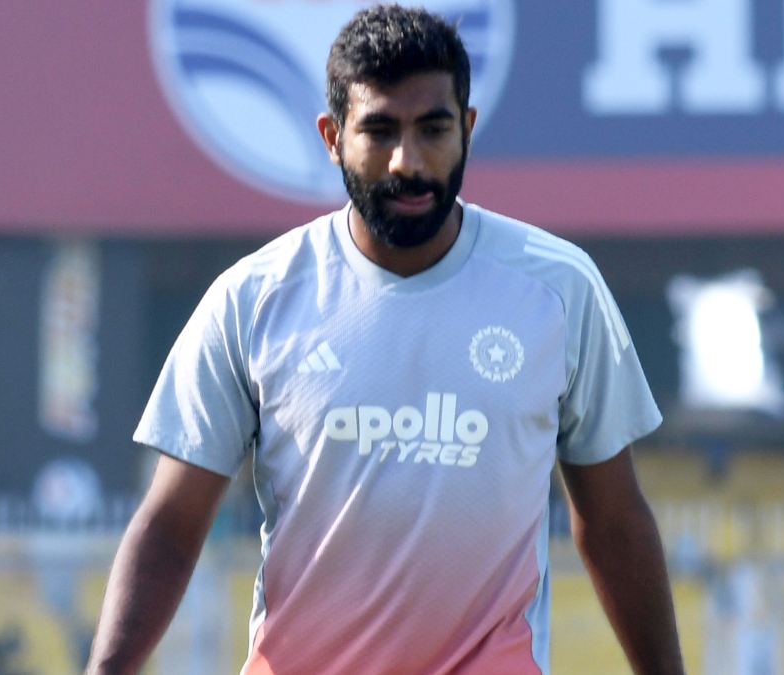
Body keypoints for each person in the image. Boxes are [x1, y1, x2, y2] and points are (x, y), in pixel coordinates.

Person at [86, 5, 684, 674]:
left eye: (433, 129)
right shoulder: (253, 299)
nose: (408, 161)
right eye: (379, 130)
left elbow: (613, 520)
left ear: (468, 129)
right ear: (332, 137)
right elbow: (170, 525)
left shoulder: (560, 290)